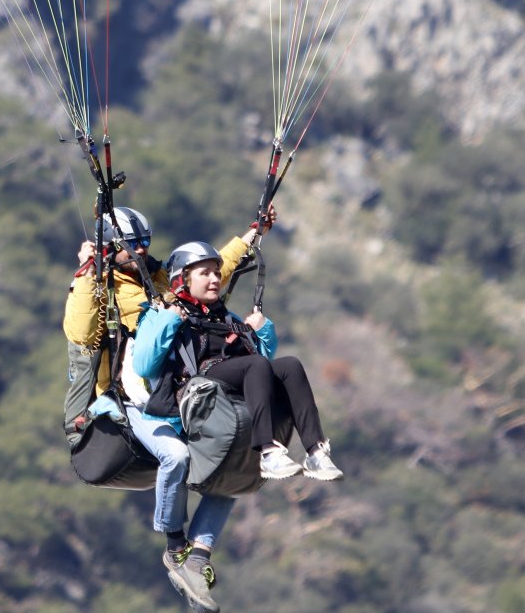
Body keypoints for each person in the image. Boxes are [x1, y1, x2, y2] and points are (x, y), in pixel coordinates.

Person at [62, 206, 275, 613]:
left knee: (237, 460)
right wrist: (89, 271)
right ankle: (176, 547)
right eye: (132, 245)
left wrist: (252, 235)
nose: (141, 250)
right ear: (111, 248)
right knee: (175, 456)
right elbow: (80, 332)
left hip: (176, 395)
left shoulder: (159, 279)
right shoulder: (103, 287)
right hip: (131, 400)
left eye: (145, 242)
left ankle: (198, 558)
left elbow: (210, 272)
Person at [133, 241, 344, 484]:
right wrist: (169, 320)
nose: (214, 279)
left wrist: (262, 329)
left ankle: (315, 452)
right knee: (255, 365)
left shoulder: (224, 317)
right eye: (205, 273)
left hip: (235, 376)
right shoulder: (160, 314)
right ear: (183, 280)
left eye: (216, 272)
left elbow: (262, 363)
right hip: (197, 383)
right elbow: (144, 365)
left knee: (290, 366)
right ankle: (268, 451)